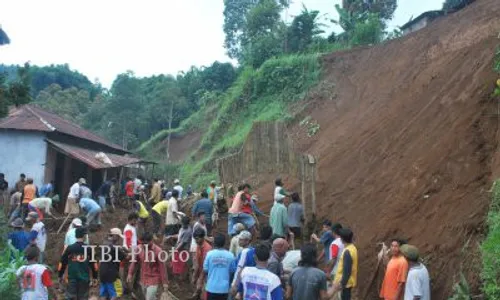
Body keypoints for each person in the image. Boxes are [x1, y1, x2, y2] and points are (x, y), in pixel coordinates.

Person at [58, 227, 98, 300]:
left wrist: (60, 275)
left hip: (72, 278)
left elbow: (62, 262)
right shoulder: (89, 249)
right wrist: (95, 277)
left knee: (70, 297)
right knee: (83, 297)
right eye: (86, 235)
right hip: (84, 279)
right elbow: (94, 265)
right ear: (83, 236)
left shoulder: (70, 248)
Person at [127, 232, 168, 300]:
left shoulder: (158, 251)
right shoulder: (138, 248)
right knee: (149, 297)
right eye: (142, 243)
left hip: (154, 278)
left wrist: (165, 282)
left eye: (146, 243)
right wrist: (130, 273)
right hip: (143, 278)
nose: (144, 245)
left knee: (149, 298)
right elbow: (134, 262)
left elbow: (162, 268)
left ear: (151, 240)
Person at [203, 233, 235, 300]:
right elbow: (232, 272)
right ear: (225, 243)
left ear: (214, 243)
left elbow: (205, 270)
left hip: (211, 287)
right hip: (224, 288)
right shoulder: (230, 255)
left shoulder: (209, 254)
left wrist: (207, 280)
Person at [99, 228, 127, 300]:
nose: (118, 239)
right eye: (118, 237)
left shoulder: (104, 243)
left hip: (102, 271)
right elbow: (124, 257)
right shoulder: (115, 247)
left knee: (103, 293)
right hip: (110, 272)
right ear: (114, 236)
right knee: (113, 294)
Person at [332, 228, 358, 300]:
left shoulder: (347, 251)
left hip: (345, 285)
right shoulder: (353, 248)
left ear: (342, 239)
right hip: (348, 283)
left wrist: (341, 285)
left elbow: (347, 272)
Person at [166, 216, 192, 280]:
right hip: (178, 248)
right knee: (175, 264)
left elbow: (182, 244)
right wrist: (171, 236)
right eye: (183, 224)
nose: (183, 225)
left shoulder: (188, 231)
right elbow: (179, 235)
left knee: (180, 266)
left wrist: (172, 253)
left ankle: (181, 281)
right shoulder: (182, 228)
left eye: (185, 224)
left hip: (182, 250)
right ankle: (176, 279)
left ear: (188, 224)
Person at [191, 227, 213, 299]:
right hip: (202, 270)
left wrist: (200, 278)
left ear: (203, 237)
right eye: (195, 239)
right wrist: (195, 275)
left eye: (197, 238)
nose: (196, 240)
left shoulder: (207, 249)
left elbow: (205, 267)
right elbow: (197, 262)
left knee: (204, 292)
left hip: (208, 273)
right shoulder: (199, 245)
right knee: (199, 287)